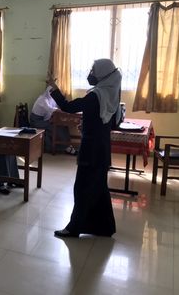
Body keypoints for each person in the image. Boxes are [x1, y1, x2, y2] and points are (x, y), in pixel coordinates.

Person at [48, 58, 120, 238]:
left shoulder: (96, 95)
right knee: (99, 189)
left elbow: (68, 107)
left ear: (103, 74)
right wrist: (88, 126)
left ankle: (74, 228)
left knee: (82, 188)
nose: (91, 73)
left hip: (91, 150)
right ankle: (104, 227)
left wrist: (54, 88)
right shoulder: (112, 94)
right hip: (102, 149)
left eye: (94, 70)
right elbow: (110, 123)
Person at [30, 86, 77, 155]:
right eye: (51, 91)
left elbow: (56, 107)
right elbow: (51, 109)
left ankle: (68, 146)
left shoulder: (51, 98)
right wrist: (66, 111)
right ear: (48, 92)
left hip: (44, 119)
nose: (52, 93)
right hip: (36, 121)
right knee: (56, 127)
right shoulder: (43, 99)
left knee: (63, 126)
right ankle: (61, 148)